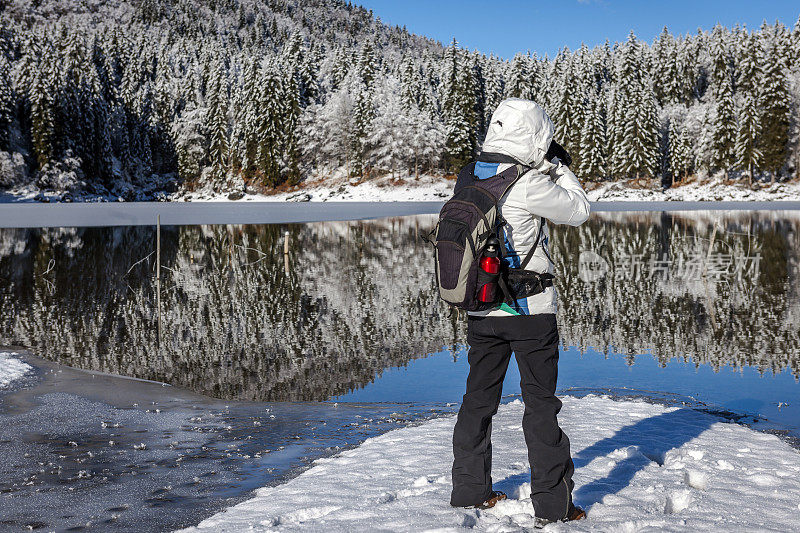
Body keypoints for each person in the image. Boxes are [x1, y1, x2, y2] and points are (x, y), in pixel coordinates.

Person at [449, 98, 590, 528]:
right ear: (535, 135)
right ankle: (553, 505)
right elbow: (580, 211)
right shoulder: (529, 182)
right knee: (540, 407)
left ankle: (471, 490)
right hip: (531, 314)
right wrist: (560, 166)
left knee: (478, 400)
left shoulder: (468, 178)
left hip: (481, 310)